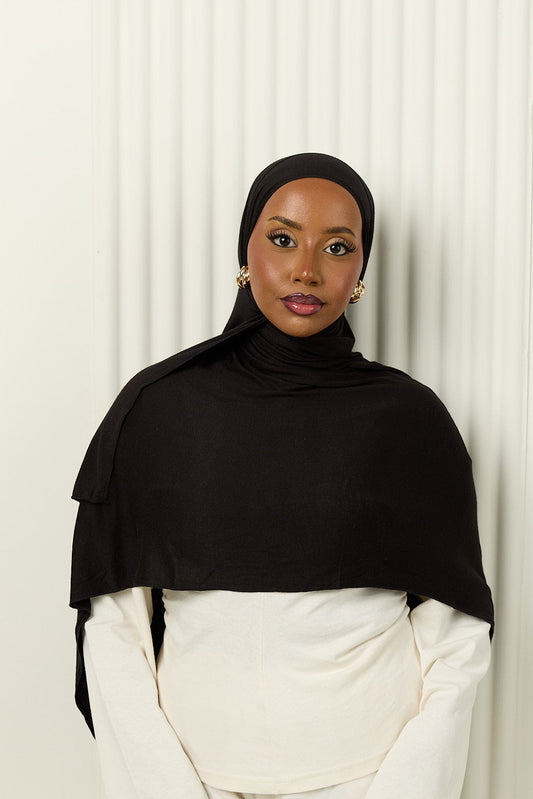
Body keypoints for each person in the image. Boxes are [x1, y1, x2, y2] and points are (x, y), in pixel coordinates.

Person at [70, 153, 494, 799]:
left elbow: (455, 636)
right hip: (194, 778)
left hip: (370, 777)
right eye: (282, 238)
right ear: (245, 250)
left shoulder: (408, 420)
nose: (306, 268)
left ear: (359, 270)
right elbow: (113, 627)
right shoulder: (158, 410)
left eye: (337, 246)